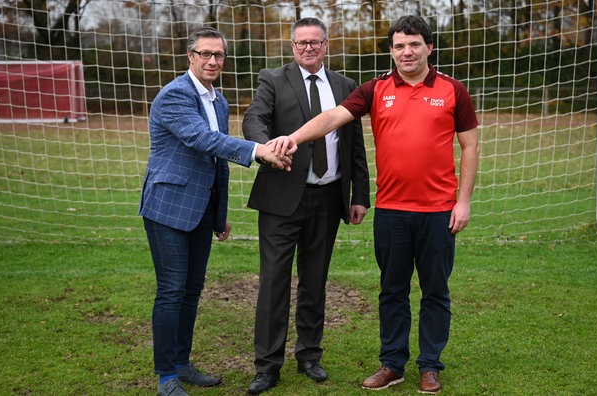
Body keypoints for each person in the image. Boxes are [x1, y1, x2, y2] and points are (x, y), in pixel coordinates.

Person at [269, 15, 480, 395]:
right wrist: (294, 138)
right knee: (392, 290)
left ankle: (430, 366)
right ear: (392, 51)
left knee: (435, 292)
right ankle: (393, 364)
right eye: (399, 45)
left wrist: (463, 202)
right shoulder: (377, 89)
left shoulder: (453, 90)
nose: (407, 52)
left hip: (437, 212)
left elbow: (470, 146)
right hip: (393, 212)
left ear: (429, 47)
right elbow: (333, 117)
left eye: (414, 44)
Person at [138, 27, 291, 396]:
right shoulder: (175, 95)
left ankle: (182, 363)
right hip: (168, 208)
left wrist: (219, 213)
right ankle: (165, 378)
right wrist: (257, 150)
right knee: (171, 291)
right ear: (190, 56)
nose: (212, 61)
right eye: (204, 54)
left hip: (201, 210)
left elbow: (216, 161)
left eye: (218, 55)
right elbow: (201, 139)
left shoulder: (218, 100)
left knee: (192, 290)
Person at [242, 17, 371, 395]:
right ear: (292, 46)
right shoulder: (272, 78)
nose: (309, 48)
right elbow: (254, 119)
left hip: (329, 198)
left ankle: (309, 355)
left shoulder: (346, 86)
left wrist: (359, 195)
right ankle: (267, 366)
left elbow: (355, 148)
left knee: (315, 281)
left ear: (326, 45)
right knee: (274, 283)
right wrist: (265, 150)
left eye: (316, 42)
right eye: (302, 43)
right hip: (281, 198)